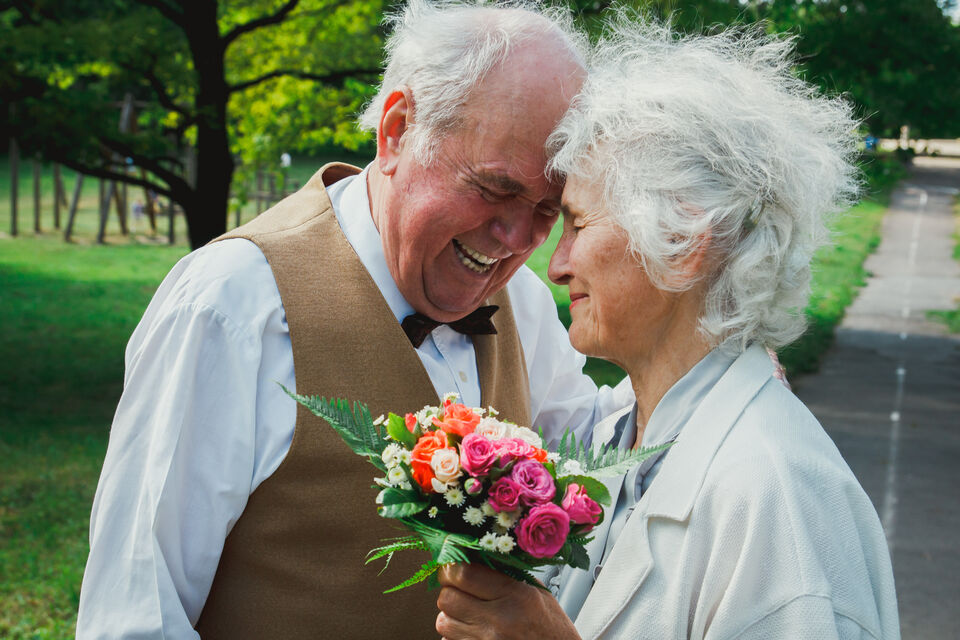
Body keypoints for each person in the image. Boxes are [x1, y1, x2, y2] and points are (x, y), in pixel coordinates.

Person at [75, 2, 632, 638]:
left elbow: (602, 452)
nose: (514, 237)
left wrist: (717, 370)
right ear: (396, 131)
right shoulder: (232, 307)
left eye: (546, 209)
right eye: (493, 188)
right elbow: (137, 615)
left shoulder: (523, 307)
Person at [435, 18, 900, 640]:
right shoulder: (626, 438)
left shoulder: (781, 504)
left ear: (683, 241)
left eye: (576, 222)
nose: (557, 264)